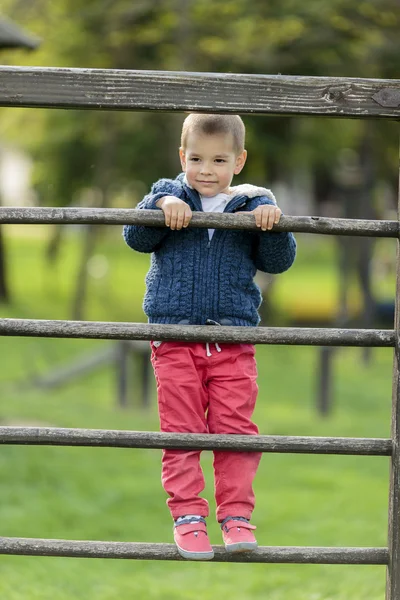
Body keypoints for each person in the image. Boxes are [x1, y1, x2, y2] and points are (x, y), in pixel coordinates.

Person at [123, 114, 296, 560]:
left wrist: (271, 223)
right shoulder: (169, 193)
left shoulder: (253, 202)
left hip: (233, 340)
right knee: (182, 429)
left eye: (219, 160)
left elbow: (279, 261)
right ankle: (188, 517)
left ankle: (236, 515)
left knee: (236, 430)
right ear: (183, 157)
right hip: (175, 338)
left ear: (238, 161)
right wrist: (160, 209)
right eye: (196, 158)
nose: (206, 169)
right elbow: (135, 238)